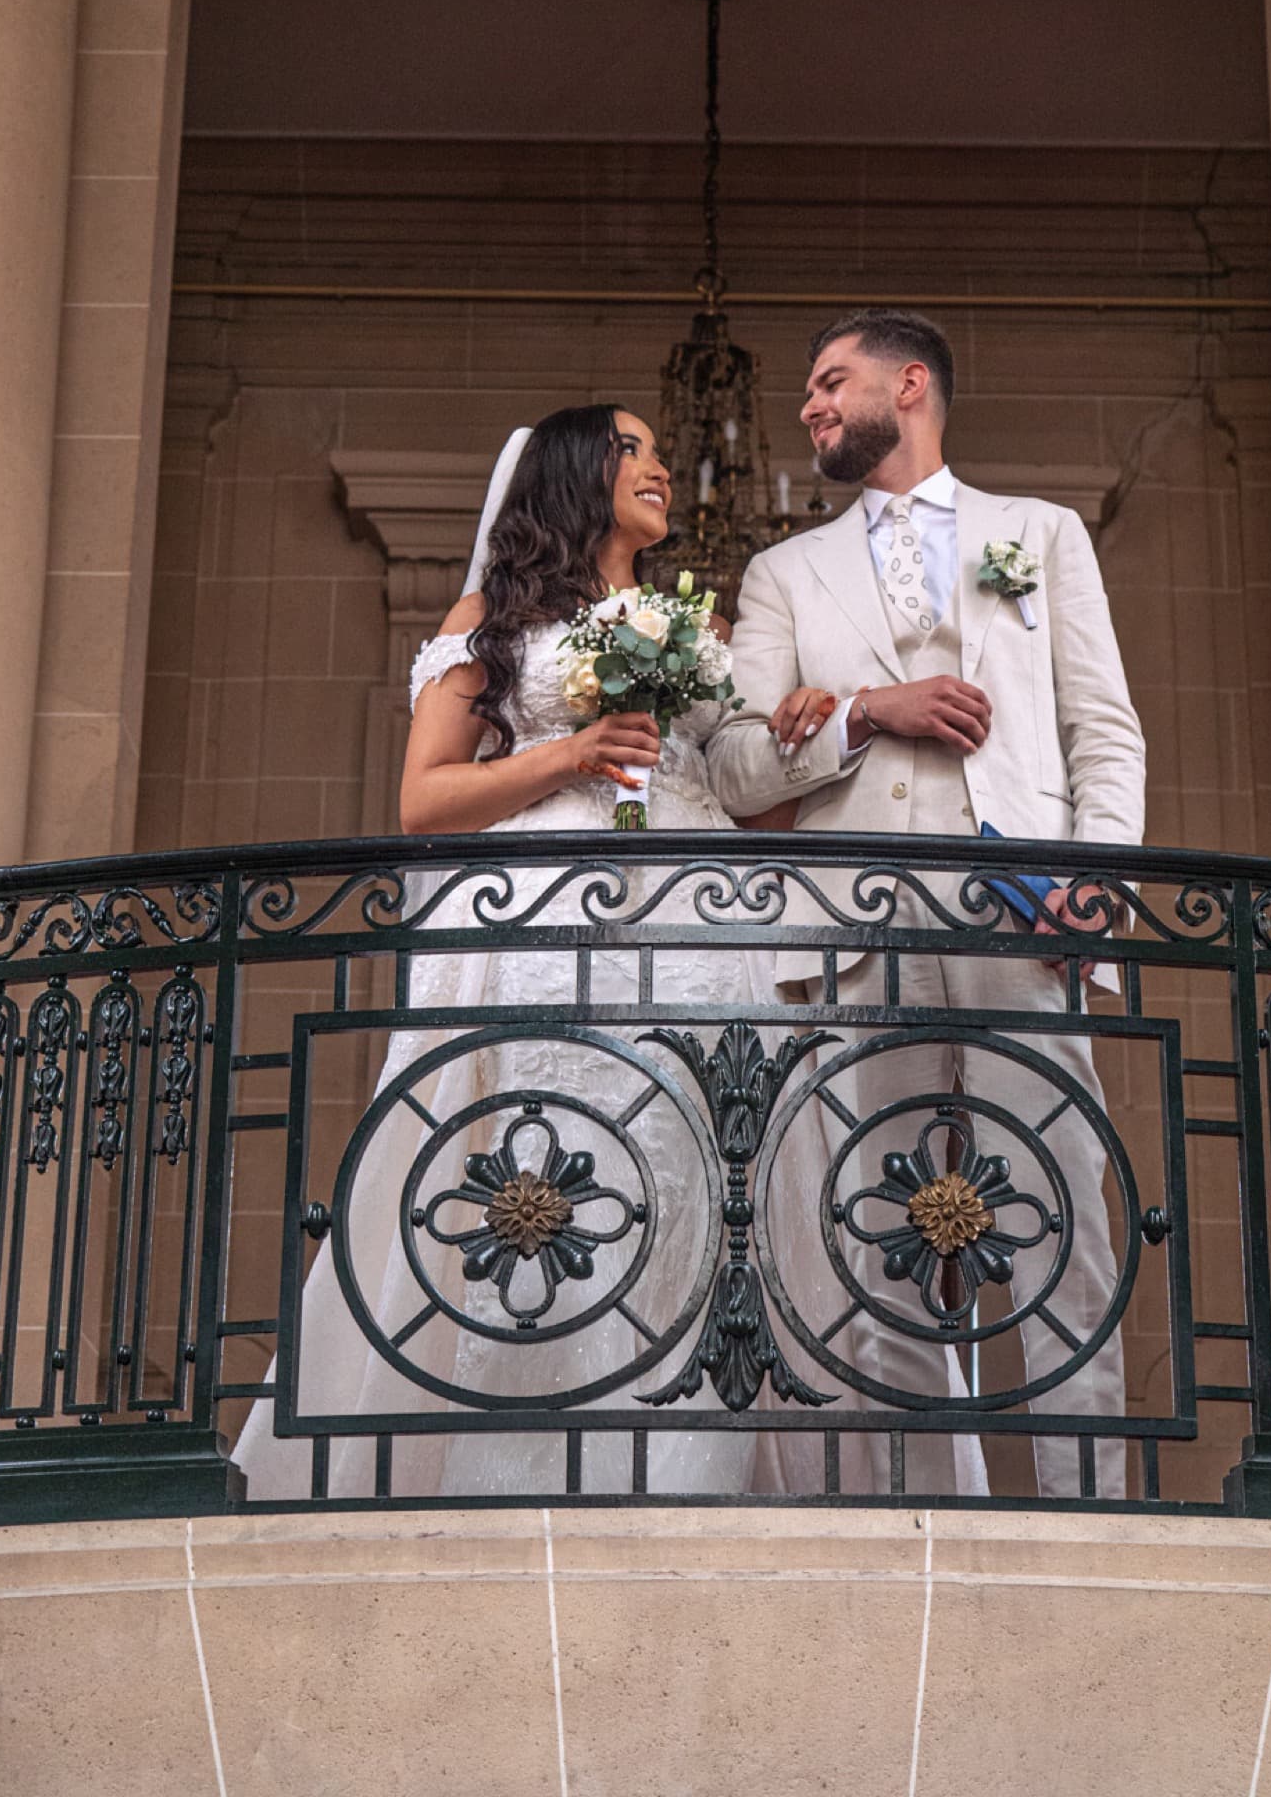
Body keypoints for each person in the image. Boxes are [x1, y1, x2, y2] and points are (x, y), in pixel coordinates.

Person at [233, 404, 829, 1501]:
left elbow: (739, 798)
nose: (660, 468)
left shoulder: (690, 625)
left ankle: (694, 1459)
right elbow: (425, 797)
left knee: (697, 1162)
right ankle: (536, 1454)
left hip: (704, 926)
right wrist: (574, 752)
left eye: (658, 449)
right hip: (553, 924)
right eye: (636, 448)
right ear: (575, 471)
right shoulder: (490, 619)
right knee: (559, 1164)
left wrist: (798, 733)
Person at [706, 309, 1146, 1499]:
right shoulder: (781, 573)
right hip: (860, 941)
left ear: (910, 387)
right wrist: (865, 712)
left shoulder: (1040, 536)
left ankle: (1087, 1507)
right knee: (880, 1231)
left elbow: (1104, 732)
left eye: (828, 380)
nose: (807, 404)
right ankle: (914, 1517)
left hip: (1022, 923)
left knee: (1063, 1227)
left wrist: (1096, 882)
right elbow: (741, 769)